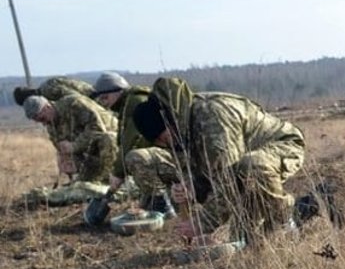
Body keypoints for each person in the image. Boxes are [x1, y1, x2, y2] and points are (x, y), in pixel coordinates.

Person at [132, 76, 305, 246]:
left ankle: (284, 222)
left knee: (252, 165)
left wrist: (202, 223)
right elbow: (207, 174)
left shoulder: (213, 118)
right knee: (246, 239)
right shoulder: (181, 129)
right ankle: (290, 213)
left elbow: (228, 182)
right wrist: (192, 187)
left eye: (163, 139)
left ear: (169, 125)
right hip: (241, 162)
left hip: (282, 146)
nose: (165, 146)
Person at [89, 71, 179, 216]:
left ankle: (162, 206)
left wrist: (117, 173)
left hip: (174, 159)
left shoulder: (135, 102)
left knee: (135, 158)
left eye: (105, 97)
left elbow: (131, 140)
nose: (103, 102)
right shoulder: (126, 105)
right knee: (144, 203)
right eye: (100, 98)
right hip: (165, 158)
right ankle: (158, 201)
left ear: (118, 91)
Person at [23, 92, 118, 185]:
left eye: (42, 119)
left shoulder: (73, 104)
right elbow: (64, 150)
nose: (43, 123)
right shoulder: (51, 126)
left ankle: (113, 179)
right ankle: (95, 180)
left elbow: (97, 128)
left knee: (108, 138)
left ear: (47, 107)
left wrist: (74, 146)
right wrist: (66, 162)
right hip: (93, 154)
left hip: (118, 144)